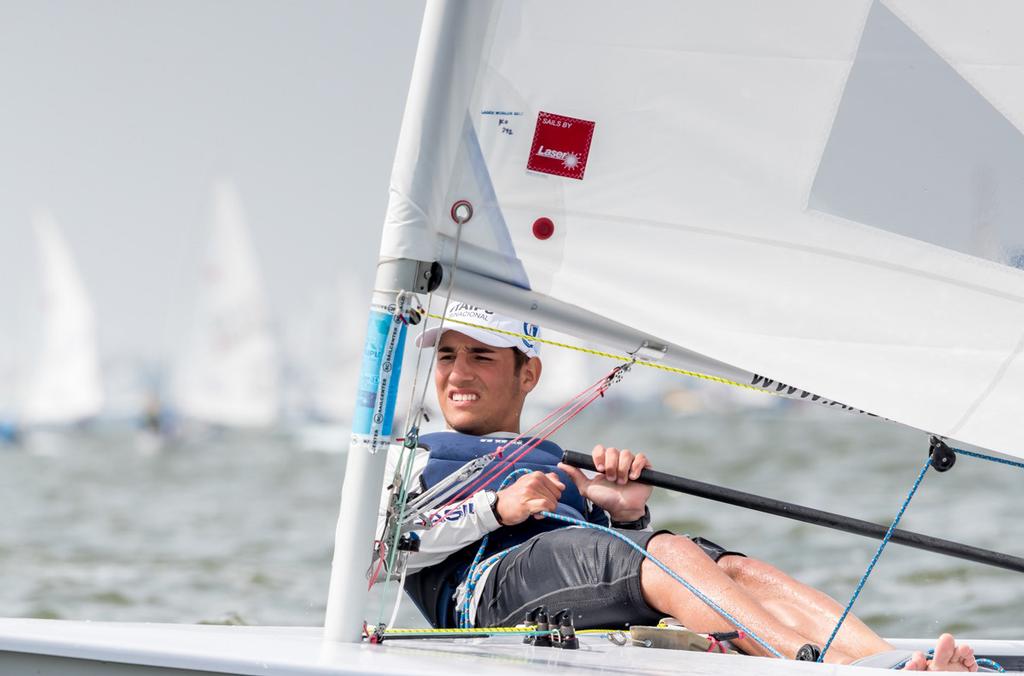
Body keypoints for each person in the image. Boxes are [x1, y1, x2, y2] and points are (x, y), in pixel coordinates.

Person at [375, 302, 977, 671]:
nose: (456, 372)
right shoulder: (419, 457)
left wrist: (627, 513)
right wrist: (494, 510)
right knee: (664, 554)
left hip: (551, 582)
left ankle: (885, 663)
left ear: (527, 372)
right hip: (484, 595)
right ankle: (813, 669)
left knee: (736, 569)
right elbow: (377, 556)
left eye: (480, 356)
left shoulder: (553, 462)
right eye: (448, 355)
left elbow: (604, 573)